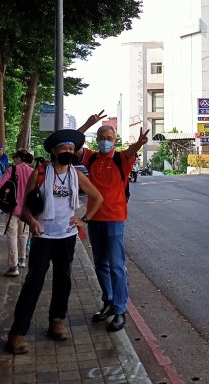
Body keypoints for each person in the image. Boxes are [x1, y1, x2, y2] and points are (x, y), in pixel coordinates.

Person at [6, 129, 103, 355]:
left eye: (71, 149)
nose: (68, 152)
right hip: (43, 237)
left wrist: (83, 220)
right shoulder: (39, 173)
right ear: (53, 151)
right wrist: (31, 221)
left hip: (67, 236)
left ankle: (56, 321)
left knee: (64, 279)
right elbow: (24, 207)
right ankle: (17, 333)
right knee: (34, 282)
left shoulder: (76, 175)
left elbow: (98, 197)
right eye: (64, 149)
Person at [77, 113, 149, 333]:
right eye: (101, 137)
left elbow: (131, 151)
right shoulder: (90, 158)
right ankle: (108, 301)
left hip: (115, 219)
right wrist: (88, 124)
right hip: (94, 218)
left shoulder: (120, 159)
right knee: (100, 264)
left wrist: (138, 144)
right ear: (96, 140)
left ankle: (120, 310)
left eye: (108, 137)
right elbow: (72, 142)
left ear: (115, 141)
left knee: (116, 265)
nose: (105, 140)